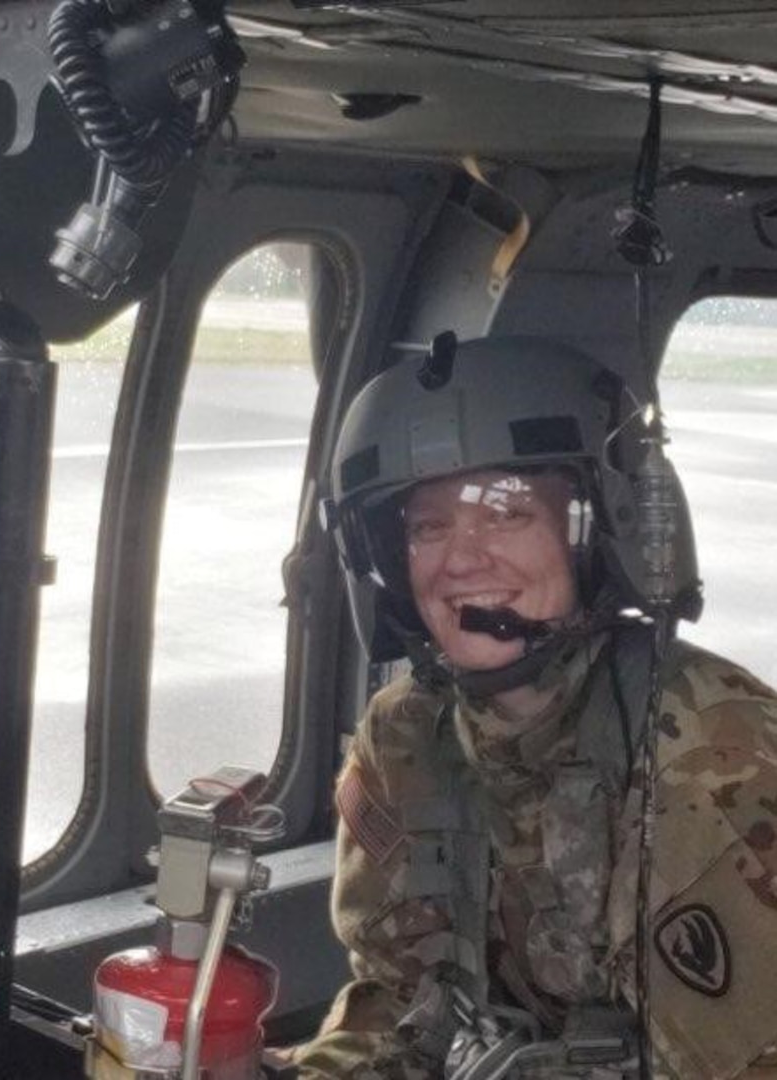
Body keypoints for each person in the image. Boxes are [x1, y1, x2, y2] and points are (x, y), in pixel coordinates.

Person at [292, 335, 777, 1078]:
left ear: (596, 528)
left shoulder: (715, 751)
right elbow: (400, 1002)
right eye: (428, 527)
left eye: (506, 511)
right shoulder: (403, 737)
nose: (460, 559)